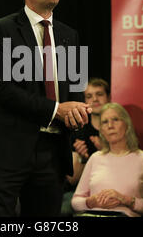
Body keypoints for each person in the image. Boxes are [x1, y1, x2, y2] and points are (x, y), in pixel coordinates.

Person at [0, 0, 91, 216]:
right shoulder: (0, 29)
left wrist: (78, 113)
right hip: (7, 152)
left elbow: (76, 88)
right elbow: (0, 88)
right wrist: (56, 109)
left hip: (52, 155)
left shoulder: (71, 35)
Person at [71, 103, 143, 217]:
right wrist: (90, 202)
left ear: (127, 124)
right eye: (105, 122)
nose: (110, 126)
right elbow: (75, 202)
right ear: (101, 130)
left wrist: (126, 200)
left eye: (115, 119)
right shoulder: (95, 158)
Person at [61, 78, 110, 216]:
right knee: (63, 209)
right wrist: (82, 159)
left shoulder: (118, 127)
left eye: (99, 94)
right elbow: (71, 179)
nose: (95, 99)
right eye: (89, 96)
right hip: (82, 191)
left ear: (109, 97)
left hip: (113, 187)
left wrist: (105, 152)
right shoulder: (78, 129)